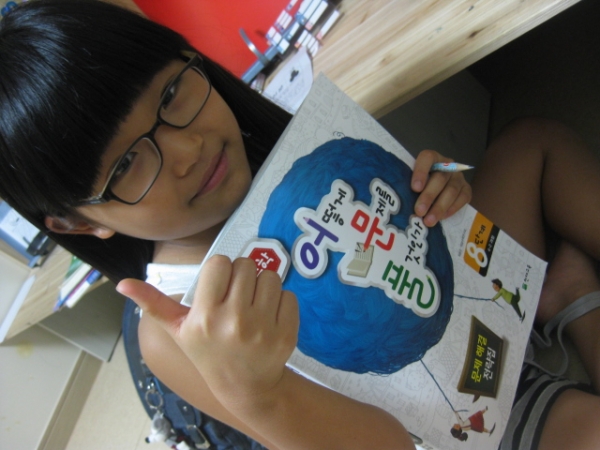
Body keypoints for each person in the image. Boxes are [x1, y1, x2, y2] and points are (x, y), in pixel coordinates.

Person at [0, 1, 599, 449]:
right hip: (452, 427)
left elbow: (420, 223)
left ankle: (558, 294)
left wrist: (441, 187)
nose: (187, 150)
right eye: (127, 165)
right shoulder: (176, 330)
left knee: (533, 145)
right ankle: (577, 302)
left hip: (477, 303)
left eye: (172, 92)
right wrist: (261, 395)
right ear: (78, 223)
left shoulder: (288, 154)